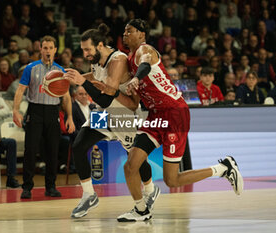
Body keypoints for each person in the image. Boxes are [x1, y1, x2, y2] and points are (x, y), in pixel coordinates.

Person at [118, 19, 243, 222]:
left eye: (129, 31)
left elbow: (145, 66)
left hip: (175, 114)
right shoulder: (127, 59)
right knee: (131, 165)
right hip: (155, 116)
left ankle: (223, 168)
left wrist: (135, 79)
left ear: (141, 34)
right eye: (123, 31)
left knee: (172, 180)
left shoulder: (145, 50)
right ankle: (141, 210)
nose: (125, 34)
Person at [64, 23, 158, 218]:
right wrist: (73, 77)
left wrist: (82, 83)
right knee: (79, 145)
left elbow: (106, 97)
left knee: (136, 159)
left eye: (88, 49)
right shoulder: (96, 60)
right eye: (83, 50)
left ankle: (150, 189)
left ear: (99, 45)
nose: (85, 54)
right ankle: (89, 194)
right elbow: (96, 77)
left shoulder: (118, 60)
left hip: (124, 114)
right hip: (104, 113)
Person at [13, 35, 75, 199]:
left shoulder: (61, 71)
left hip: (53, 111)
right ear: (40, 49)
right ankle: (27, 187)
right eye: (45, 48)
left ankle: (51, 186)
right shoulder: (31, 68)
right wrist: (15, 110)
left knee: (52, 151)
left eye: (50, 48)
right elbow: (20, 90)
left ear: (55, 50)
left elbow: (66, 96)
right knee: (30, 150)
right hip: (35, 111)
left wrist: (69, 117)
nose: (48, 51)